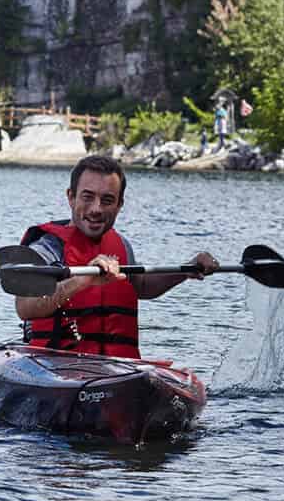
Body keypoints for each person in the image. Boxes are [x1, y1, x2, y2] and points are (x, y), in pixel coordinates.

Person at [14, 154, 218, 359]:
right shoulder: (47, 249)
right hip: (55, 365)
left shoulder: (121, 246)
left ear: (120, 204)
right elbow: (25, 307)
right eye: (87, 197)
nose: (96, 209)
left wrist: (187, 270)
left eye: (107, 200)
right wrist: (83, 280)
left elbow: (142, 286)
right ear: (71, 197)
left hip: (118, 367)